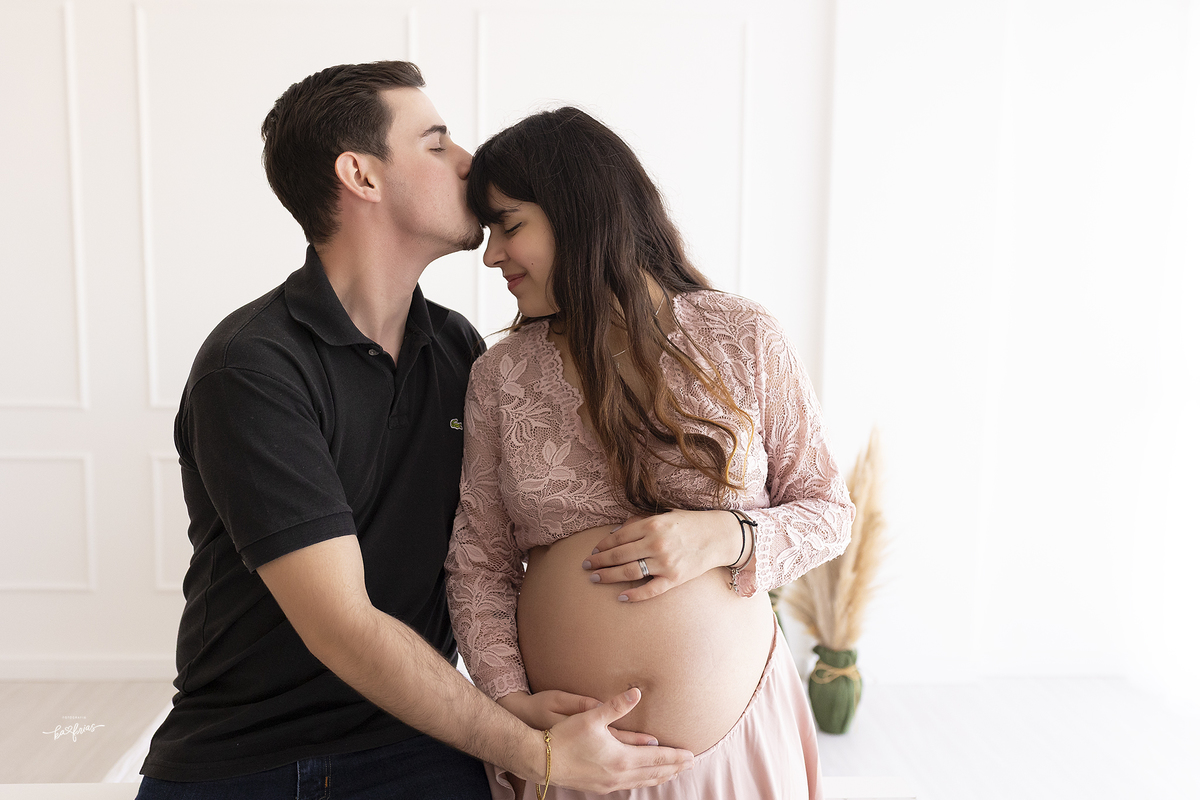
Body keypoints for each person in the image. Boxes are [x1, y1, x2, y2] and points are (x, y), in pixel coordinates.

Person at [136, 63, 694, 799]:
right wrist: (538, 752)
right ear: (361, 175)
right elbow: (343, 626)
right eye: (436, 143)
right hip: (257, 758)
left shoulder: (462, 350)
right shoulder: (253, 368)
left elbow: (511, 543)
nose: (469, 160)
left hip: (420, 738)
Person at [445, 107, 856, 799]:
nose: (492, 255)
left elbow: (829, 513)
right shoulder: (502, 375)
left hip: (732, 748)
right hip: (567, 761)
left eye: (509, 225)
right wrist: (512, 703)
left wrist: (727, 535)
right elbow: (477, 564)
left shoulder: (742, 335)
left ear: (581, 214)